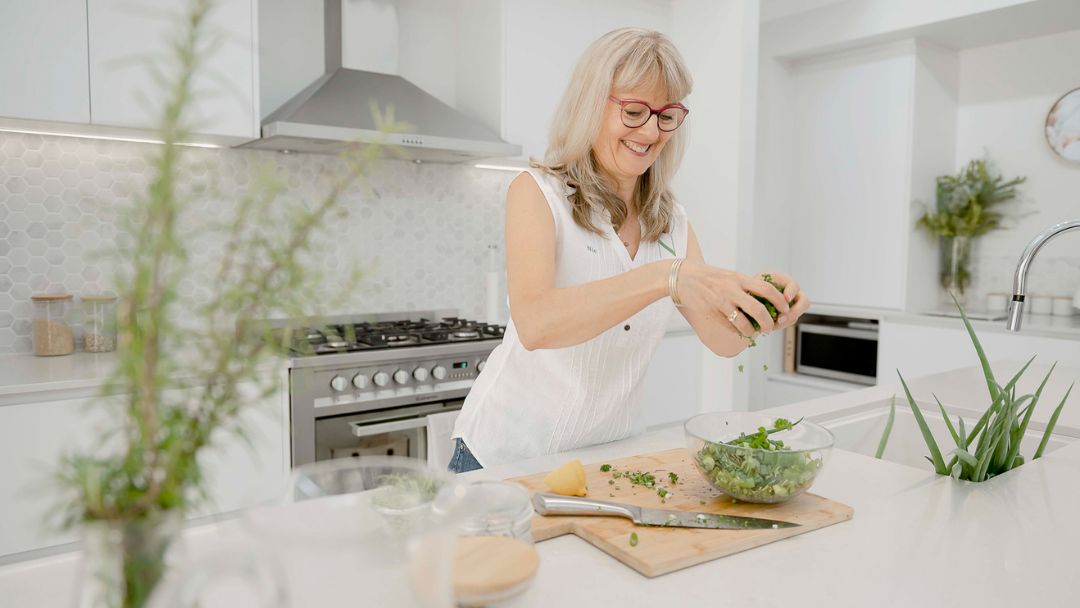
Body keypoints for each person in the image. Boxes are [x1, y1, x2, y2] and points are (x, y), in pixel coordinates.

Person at [448, 28, 811, 474]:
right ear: (590, 104)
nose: (651, 131)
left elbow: (722, 339)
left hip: (603, 463)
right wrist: (664, 277)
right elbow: (536, 323)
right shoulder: (538, 192)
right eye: (635, 111)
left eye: (666, 115)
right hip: (504, 457)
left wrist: (765, 306)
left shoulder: (671, 219)